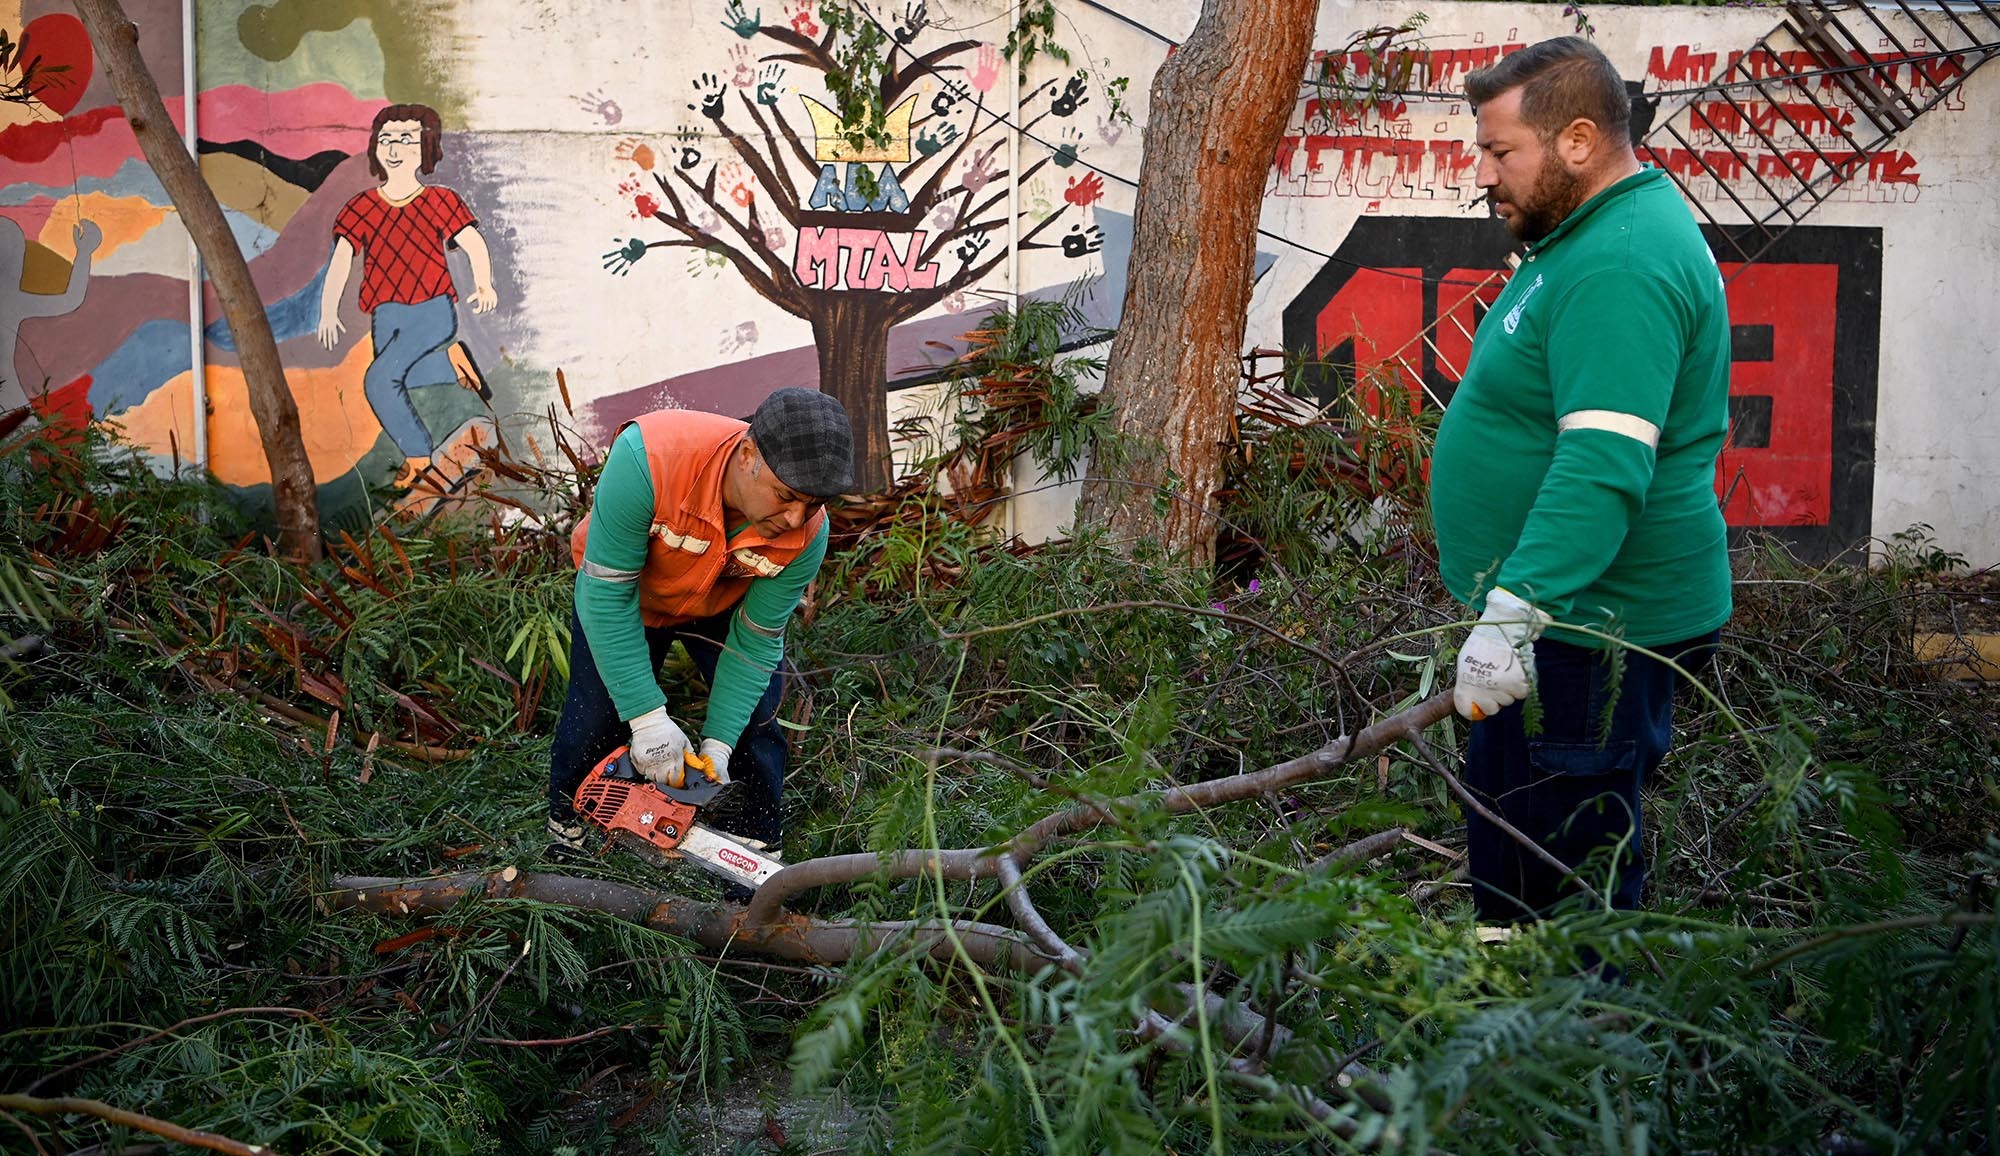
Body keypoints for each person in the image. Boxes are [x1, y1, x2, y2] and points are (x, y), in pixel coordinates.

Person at [1431, 38, 1732, 925]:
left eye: (1500, 151)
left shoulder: (1620, 263)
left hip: (1587, 630)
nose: (1483, 173)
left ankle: (1572, 1044)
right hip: (1559, 621)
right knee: (1514, 838)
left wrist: (1514, 612)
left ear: (1576, 142)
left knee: (1565, 878)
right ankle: (1507, 1021)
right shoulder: (1588, 233)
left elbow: (1604, 466)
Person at [545, 388, 854, 867]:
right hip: (625, 598)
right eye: (786, 496)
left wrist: (719, 745)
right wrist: (648, 720)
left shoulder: (807, 535)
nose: (796, 517)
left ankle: (753, 849)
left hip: (718, 603)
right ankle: (566, 834)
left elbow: (756, 640)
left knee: (758, 722)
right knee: (592, 721)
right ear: (747, 453)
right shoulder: (649, 459)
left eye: (813, 504)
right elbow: (605, 595)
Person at [318, 103, 498, 487]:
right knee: (401, 378)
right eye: (386, 139)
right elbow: (342, 259)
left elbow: (471, 241)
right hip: (385, 314)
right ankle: (452, 365)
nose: (394, 148)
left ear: (426, 148)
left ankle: (418, 457)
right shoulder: (361, 207)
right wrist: (327, 310)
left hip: (432, 310)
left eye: (406, 139)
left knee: (379, 383)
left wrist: (484, 284)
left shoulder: (439, 200)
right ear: (375, 147)